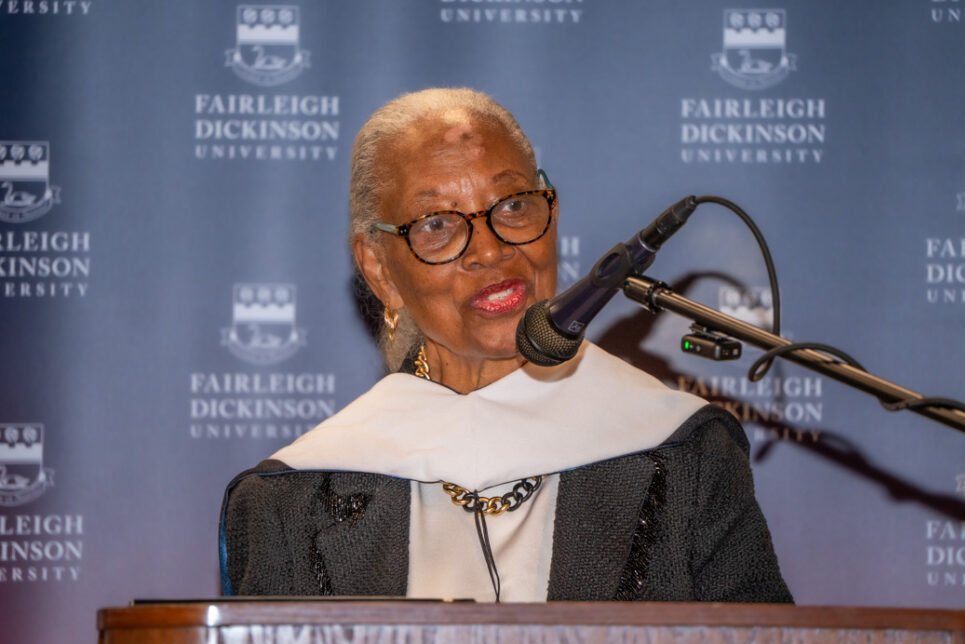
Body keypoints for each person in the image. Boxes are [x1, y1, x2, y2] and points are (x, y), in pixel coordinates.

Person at [219, 88, 792, 604]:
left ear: (551, 213)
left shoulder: (682, 453)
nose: (490, 250)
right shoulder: (292, 498)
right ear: (379, 271)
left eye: (513, 205)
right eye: (437, 223)